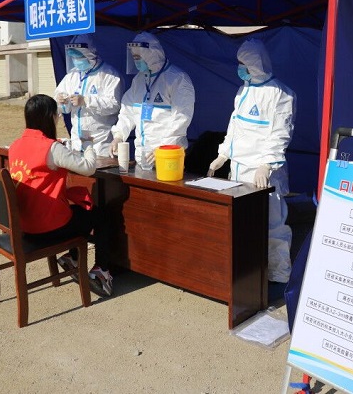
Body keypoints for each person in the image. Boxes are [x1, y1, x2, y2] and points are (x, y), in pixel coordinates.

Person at [207, 38, 296, 284]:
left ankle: (279, 274)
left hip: (263, 174)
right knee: (243, 224)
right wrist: (223, 154)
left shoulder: (281, 94)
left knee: (272, 224)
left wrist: (267, 165)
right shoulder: (243, 90)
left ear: (256, 63)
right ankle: (248, 274)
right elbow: (234, 126)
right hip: (238, 170)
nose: (240, 68)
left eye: (244, 64)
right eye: (239, 63)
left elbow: (280, 133)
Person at [8, 94, 113, 297]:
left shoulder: (15, 145)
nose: (57, 118)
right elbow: (88, 168)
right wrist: (88, 145)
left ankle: (72, 258)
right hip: (48, 227)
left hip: (24, 224)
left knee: (79, 213)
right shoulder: (52, 148)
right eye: (56, 115)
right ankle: (102, 270)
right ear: (49, 117)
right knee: (100, 215)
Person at [109, 32, 195, 167]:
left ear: (151, 54)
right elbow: (128, 110)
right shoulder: (139, 80)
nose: (136, 61)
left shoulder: (177, 79)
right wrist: (119, 135)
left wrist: (164, 147)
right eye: (134, 57)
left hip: (168, 155)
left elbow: (181, 118)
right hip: (142, 156)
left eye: (138, 57)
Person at [54, 35, 124, 157]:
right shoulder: (72, 75)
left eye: (79, 57)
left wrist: (86, 101)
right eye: (73, 57)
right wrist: (60, 100)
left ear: (90, 55)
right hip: (77, 142)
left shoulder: (109, 75)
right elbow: (59, 101)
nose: (76, 61)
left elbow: (114, 105)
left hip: (100, 143)